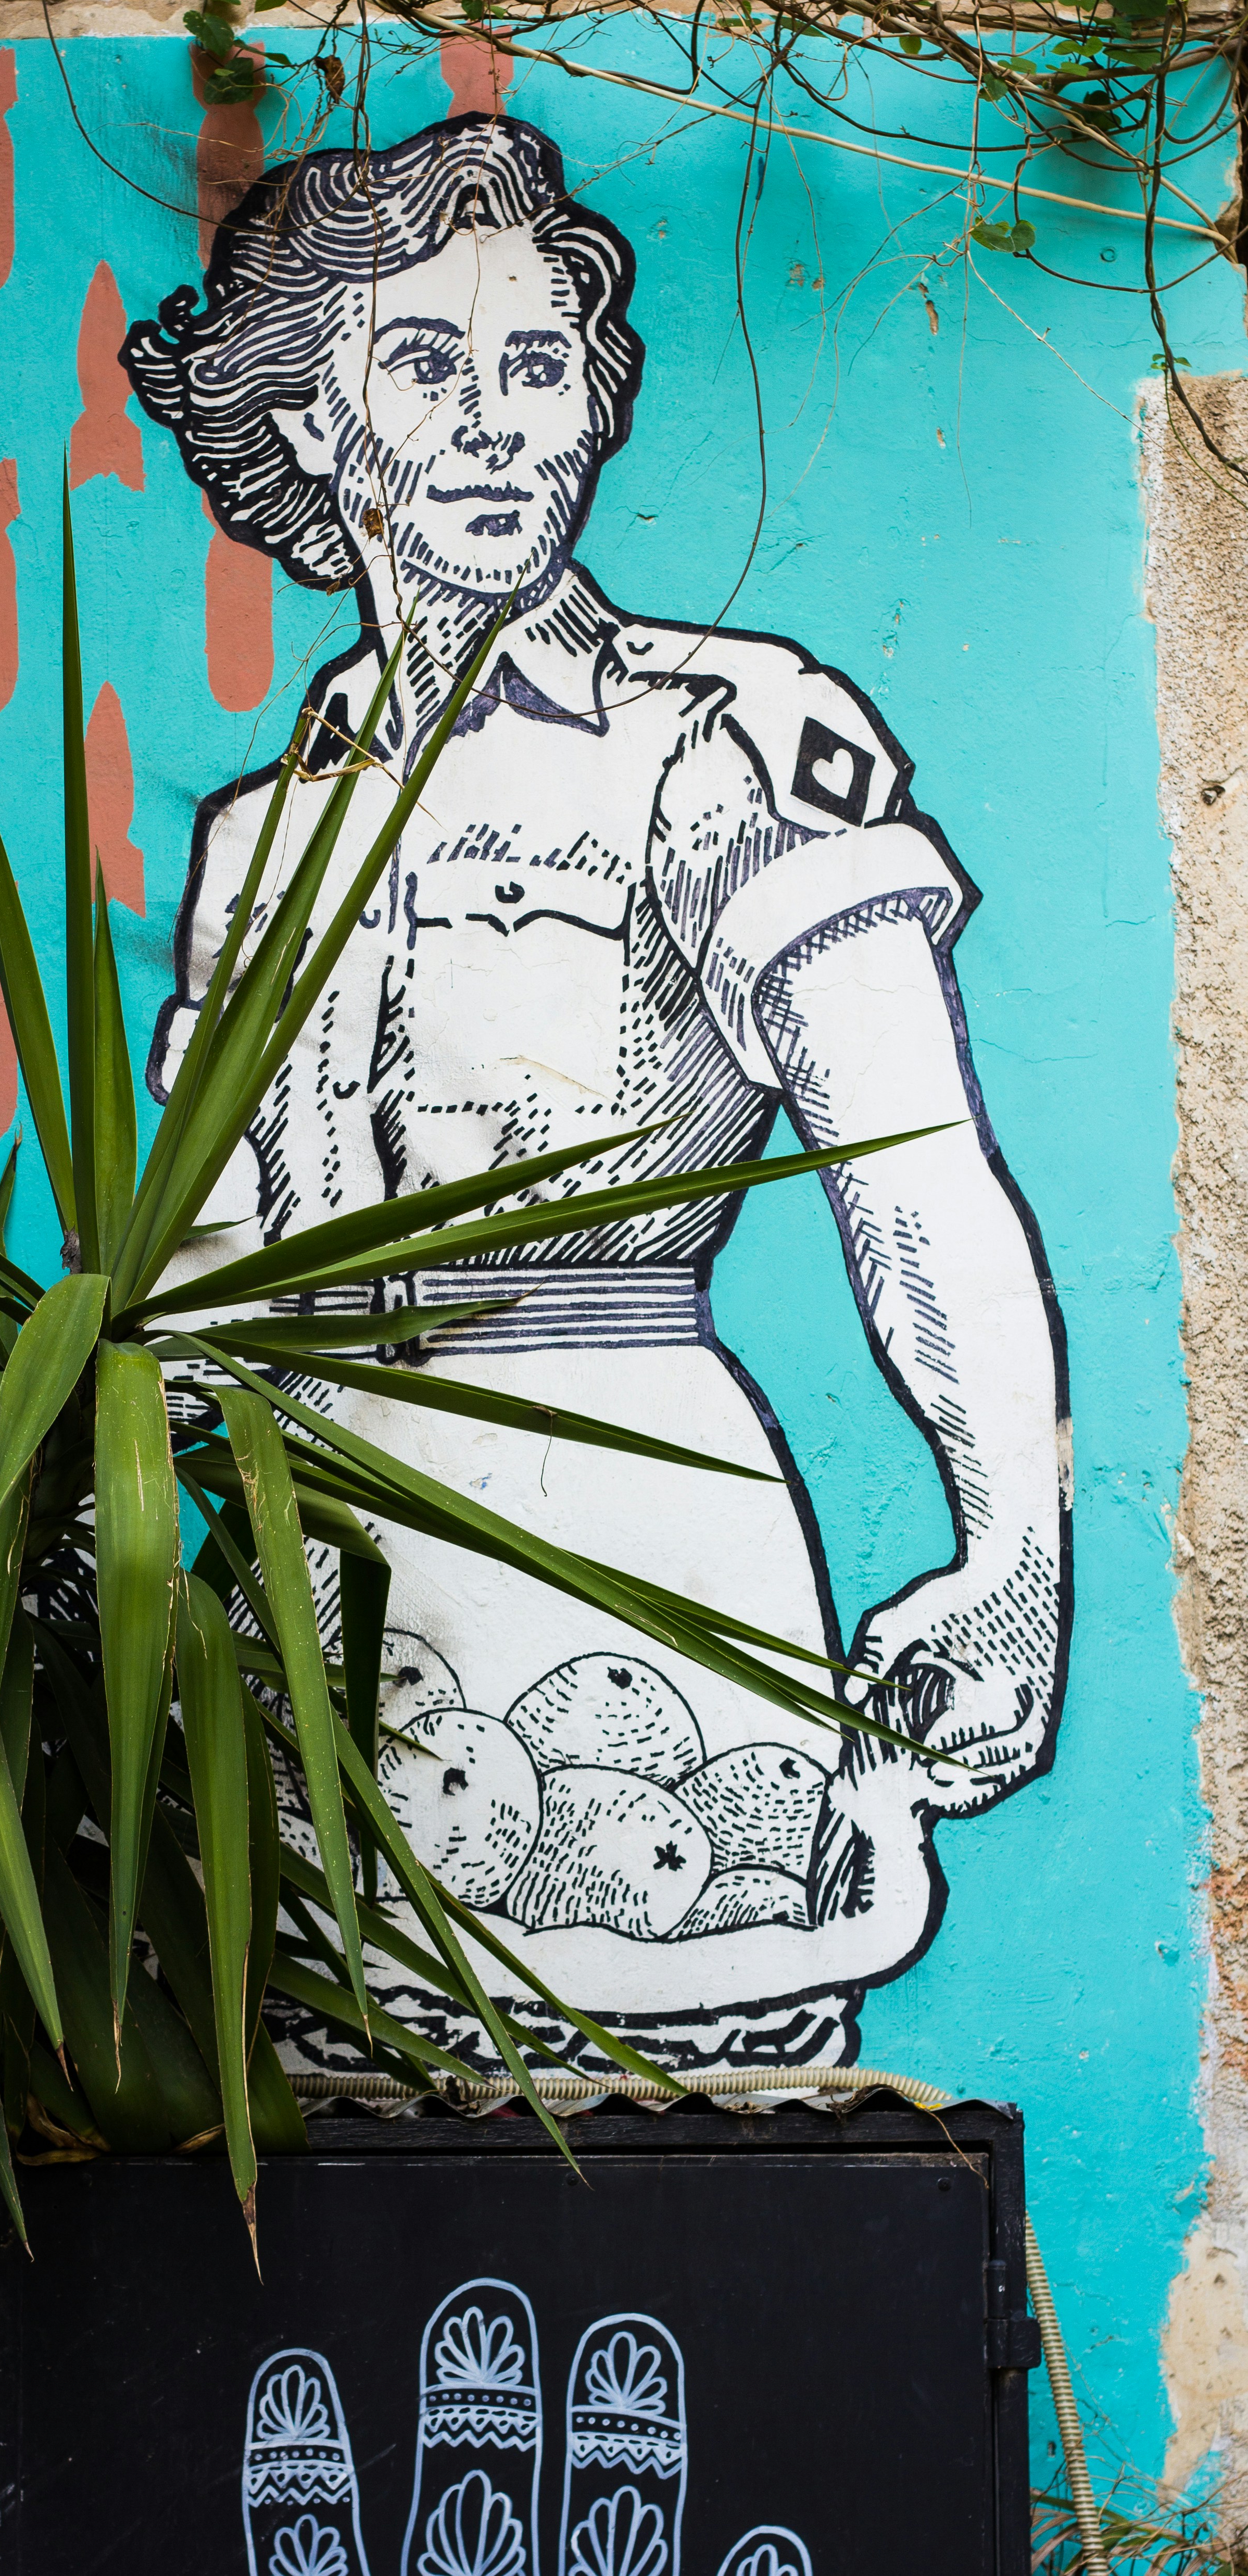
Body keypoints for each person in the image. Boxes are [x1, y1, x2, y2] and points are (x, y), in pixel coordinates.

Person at [123, 112, 1069, 2070]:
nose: (496, 425)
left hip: (635, 1549)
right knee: (326, 2165)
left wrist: (1012, 1555)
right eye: (428, 364)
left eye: (536, 366)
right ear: (306, 417)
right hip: (310, 1593)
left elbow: (916, 1174)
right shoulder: (259, 834)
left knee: (682, 2144)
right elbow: (202, 1284)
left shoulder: (727, 739)